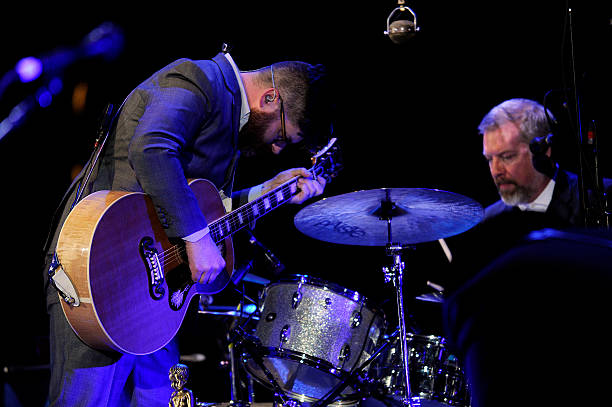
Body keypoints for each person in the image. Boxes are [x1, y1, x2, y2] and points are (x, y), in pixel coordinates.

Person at [42, 46, 334, 406]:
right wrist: (196, 239)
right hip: (102, 269)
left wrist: (268, 191)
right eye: (281, 138)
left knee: (162, 399)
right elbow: (151, 149)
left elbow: (200, 207)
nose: (276, 150)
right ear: (271, 97)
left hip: (153, 292)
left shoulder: (230, 122)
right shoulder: (199, 79)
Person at [441, 98, 612, 406]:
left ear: (542, 150)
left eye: (506, 157)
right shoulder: (484, 225)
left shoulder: (597, 202)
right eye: (489, 159)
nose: (496, 170)